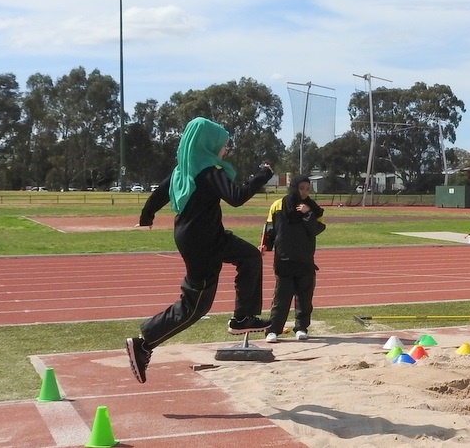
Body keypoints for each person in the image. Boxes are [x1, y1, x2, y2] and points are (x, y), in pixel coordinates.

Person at [126, 116, 274, 383]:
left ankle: (243, 317)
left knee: (250, 256)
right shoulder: (207, 171)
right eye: (224, 145)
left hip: (206, 235)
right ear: (208, 144)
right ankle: (144, 343)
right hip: (201, 243)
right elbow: (237, 197)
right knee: (194, 307)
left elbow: (159, 194)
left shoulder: (184, 169)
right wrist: (263, 175)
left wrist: (146, 217)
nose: (226, 150)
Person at [260, 174, 325, 343]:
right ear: (294, 187)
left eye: (307, 189)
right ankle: (273, 330)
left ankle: (301, 328)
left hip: (304, 259)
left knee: (304, 297)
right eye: (301, 188)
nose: (304, 192)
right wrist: (265, 245)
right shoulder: (278, 205)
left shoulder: (313, 208)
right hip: (283, 259)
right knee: (281, 296)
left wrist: (308, 213)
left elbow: (316, 229)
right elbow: (270, 229)